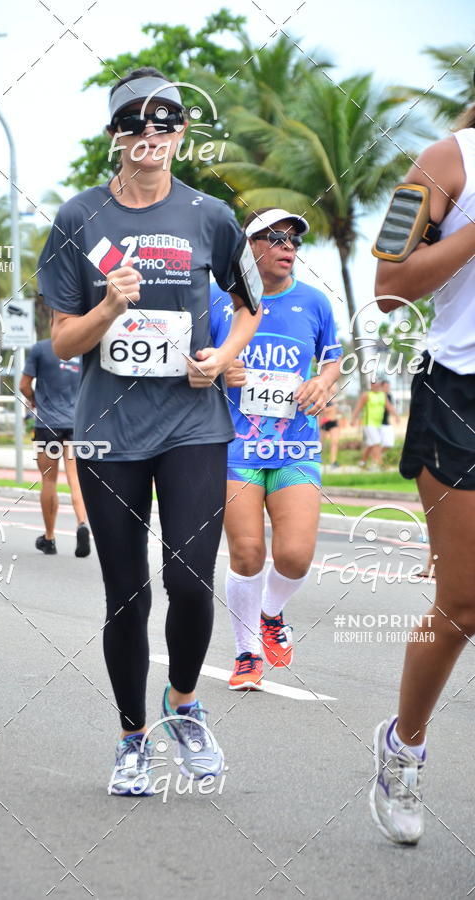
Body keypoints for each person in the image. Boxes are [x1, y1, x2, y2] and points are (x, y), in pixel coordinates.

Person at [37, 68, 260, 794]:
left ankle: (185, 705)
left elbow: (249, 300)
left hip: (193, 422)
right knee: (127, 593)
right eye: (135, 123)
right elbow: (64, 341)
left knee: (192, 581)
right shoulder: (79, 218)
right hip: (108, 429)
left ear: (182, 133)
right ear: (115, 137)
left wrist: (224, 358)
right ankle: (133, 737)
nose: (150, 135)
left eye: (165, 122)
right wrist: (107, 309)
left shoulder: (211, 216)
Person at [370, 99, 475, 844]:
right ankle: (403, 748)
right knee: (466, 603)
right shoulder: (446, 161)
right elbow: (388, 281)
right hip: (461, 392)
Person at [210, 208, 341, 689]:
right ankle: (246, 654)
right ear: (249, 246)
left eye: (294, 241)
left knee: (295, 558)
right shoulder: (217, 300)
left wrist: (323, 384)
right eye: (277, 238)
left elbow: (333, 362)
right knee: (246, 554)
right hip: (233, 449)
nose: (289, 248)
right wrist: (221, 365)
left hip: (295, 448)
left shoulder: (315, 302)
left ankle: (271, 613)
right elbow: (188, 361)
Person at [20, 338, 90, 558]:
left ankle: (49, 538)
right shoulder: (83, 347)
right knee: (76, 480)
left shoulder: (41, 349)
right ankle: (82, 524)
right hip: (76, 424)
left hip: (47, 425)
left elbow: (23, 385)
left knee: (49, 480)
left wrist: (34, 400)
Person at [350, 381, 394, 469]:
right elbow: (358, 407)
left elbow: (388, 406)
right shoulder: (366, 395)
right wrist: (353, 419)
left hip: (378, 424)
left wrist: (395, 415)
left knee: (371, 444)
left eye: (378, 383)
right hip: (369, 423)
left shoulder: (382, 395)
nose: (376, 385)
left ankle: (362, 462)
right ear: (371, 385)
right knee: (377, 442)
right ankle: (379, 464)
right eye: (374, 384)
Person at [320, 391, 341, 468]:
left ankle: (333, 461)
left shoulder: (334, 398)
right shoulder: (322, 397)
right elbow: (322, 410)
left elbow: (336, 410)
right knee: (321, 443)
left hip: (333, 422)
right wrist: (332, 408)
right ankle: (317, 460)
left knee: (334, 442)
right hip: (324, 423)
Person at [379, 378, 399, 455]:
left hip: (386, 422)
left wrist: (396, 416)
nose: (387, 388)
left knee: (389, 444)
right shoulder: (379, 396)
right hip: (378, 422)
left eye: (388, 387)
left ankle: (378, 455)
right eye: (385, 387)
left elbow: (391, 407)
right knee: (376, 444)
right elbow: (388, 407)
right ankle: (377, 458)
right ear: (381, 387)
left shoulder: (389, 396)